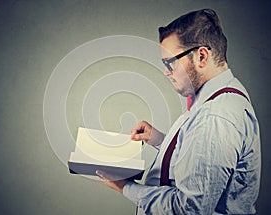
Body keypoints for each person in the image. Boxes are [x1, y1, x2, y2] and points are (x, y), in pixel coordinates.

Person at [96, 8, 261, 214]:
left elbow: (189, 209)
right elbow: (199, 158)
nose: (167, 71)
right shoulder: (213, 100)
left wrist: (125, 187)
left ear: (201, 56)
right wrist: (159, 140)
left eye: (170, 62)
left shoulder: (215, 116)